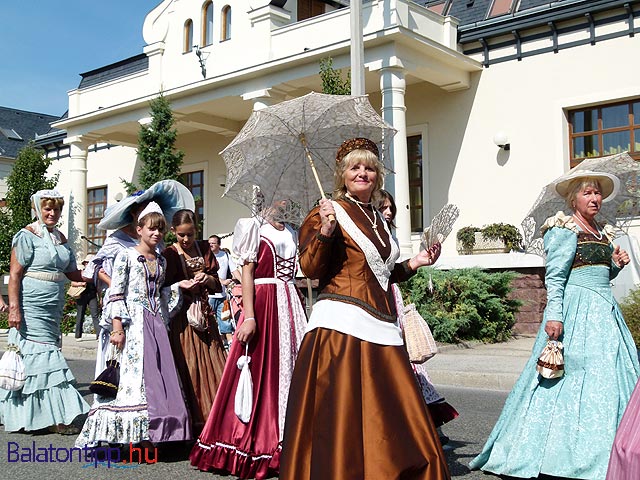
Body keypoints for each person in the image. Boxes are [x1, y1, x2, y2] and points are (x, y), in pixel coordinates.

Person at [280, 138, 450, 480]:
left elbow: (383, 274)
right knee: (346, 416)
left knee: (389, 414)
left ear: (378, 177)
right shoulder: (326, 211)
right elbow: (311, 269)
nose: (363, 173)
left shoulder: (378, 217)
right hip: (341, 327)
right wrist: (326, 230)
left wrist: (416, 261)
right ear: (342, 174)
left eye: (370, 167)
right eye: (355, 167)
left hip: (383, 325)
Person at [470, 171, 640, 479]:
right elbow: (557, 277)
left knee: (610, 377)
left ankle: (613, 450)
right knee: (566, 379)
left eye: (598, 194)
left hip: (604, 313)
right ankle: (554, 452)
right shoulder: (564, 229)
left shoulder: (603, 232)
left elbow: (602, 276)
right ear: (573, 198)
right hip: (576, 312)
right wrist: (555, 315)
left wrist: (615, 265)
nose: (595, 199)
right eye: (588, 193)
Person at [190, 199, 308, 480]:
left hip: (291, 303)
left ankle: (289, 436)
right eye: (279, 194)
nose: (285, 200)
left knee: (292, 369)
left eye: (288, 195)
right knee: (259, 369)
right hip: (264, 303)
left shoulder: (293, 230)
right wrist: (251, 316)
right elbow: (248, 274)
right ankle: (259, 439)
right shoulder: (253, 227)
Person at [75, 202, 191, 449]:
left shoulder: (160, 260)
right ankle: (125, 435)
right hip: (133, 324)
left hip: (155, 322)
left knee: (157, 376)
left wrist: (179, 287)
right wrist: (117, 328)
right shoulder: (125, 256)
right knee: (133, 376)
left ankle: (150, 433)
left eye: (160, 229)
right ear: (139, 229)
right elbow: (116, 293)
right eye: (151, 229)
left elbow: (159, 293)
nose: (156, 234)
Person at [1, 190, 89, 435]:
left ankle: (35, 412)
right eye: (47, 208)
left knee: (39, 357)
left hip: (54, 303)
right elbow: (15, 275)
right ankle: (57, 417)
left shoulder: (60, 237)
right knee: (43, 355)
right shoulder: (26, 236)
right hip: (31, 302)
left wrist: (96, 271)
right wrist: (14, 310)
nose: (52, 213)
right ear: (38, 210)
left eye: (56, 209)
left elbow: (73, 273)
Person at [378, 189, 459, 431]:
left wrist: (418, 260)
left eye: (391, 207)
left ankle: (423, 420)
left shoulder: (389, 236)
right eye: (383, 207)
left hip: (392, 293)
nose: (389, 212)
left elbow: (393, 272)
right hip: (375, 298)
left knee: (407, 357)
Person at [162, 210, 227, 435]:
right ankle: (193, 424)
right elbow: (161, 289)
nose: (186, 240)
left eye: (190, 234)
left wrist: (208, 278)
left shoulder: (205, 248)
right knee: (189, 367)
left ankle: (217, 421)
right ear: (173, 232)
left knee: (216, 364)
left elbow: (218, 285)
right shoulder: (169, 254)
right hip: (182, 320)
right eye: (181, 235)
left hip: (206, 317)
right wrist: (181, 285)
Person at [207, 234, 241, 348]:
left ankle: (230, 344)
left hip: (222, 295)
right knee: (209, 321)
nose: (211, 245)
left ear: (219, 245)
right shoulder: (206, 256)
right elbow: (206, 274)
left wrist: (243, 283)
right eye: (209, 243)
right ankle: (212, 345)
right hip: (210, 296)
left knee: (225, 319)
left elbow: (234, 270)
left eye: (213, 243)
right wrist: (221, 281)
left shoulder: (225, 255)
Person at [73, 254, 100, 340]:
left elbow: (98, 286)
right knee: (80, 314)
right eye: (87, 262)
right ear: (84, 263)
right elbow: (73, 283)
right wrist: (81, 283)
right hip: (82, 295)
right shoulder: (81, 272)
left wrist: (100, 297)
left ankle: (99, 334)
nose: (88, 264)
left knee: (95, 315)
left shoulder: (95, 274)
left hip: (92, 295)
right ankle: (78, 335)